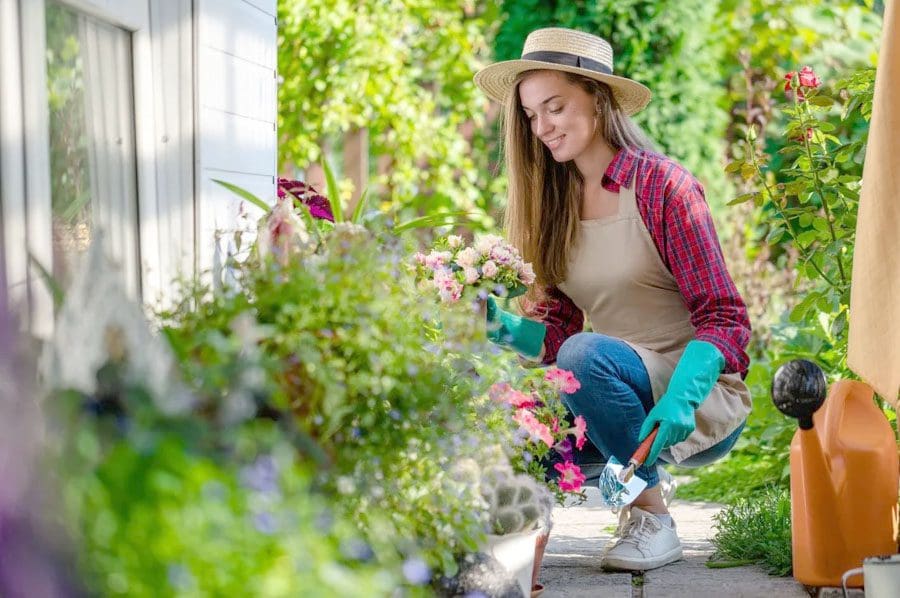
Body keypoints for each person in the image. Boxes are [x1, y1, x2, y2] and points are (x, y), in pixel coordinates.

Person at [473, 27, 751, 571]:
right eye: (531, 115)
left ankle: (651, 516)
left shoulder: (662, 187)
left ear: (597, 102)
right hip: (613, 392)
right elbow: (555, 334)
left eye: (555, 107)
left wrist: (680, 400)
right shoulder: (554, 204)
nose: (542, 127)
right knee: (515, 447)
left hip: (695, 393)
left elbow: (724, 317)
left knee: (584, 355)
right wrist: (495, 324)